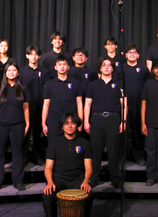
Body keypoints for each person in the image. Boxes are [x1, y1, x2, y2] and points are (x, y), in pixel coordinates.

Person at [42, 113, 93, 217]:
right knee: (47, 195)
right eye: (66, 123)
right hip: (59, 179)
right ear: (62, 126)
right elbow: (48, 168)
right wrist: (50, 182)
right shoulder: (55, 143)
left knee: (89, 195)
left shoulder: (84, 143)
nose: (69, 126)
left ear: (77, 125)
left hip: (77, 179)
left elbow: (88, 167)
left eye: (73, 123)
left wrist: (86, 181)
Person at [85, 57, 127, 188]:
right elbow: (87, 104)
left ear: (113, 68)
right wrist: (86, 121)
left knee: (113, 151)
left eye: (109, 65)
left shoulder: (119, 84)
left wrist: (123, 120)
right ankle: (94, 177)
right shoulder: (93, 85)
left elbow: (124, 104)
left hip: (113, 120)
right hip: (97, 120)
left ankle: (115, 178)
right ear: (100, 68)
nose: (107, 67)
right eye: (104, 65)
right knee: (96, 151)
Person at [0, 62, 29, 192]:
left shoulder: (23, 88)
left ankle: (18, 181)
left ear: (17, 73)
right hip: (0, 124)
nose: (11, 72)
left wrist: (27, 123)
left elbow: (26, 108)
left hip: (17, 124)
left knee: (17, 154)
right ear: (5, 73)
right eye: (9, 70)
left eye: (14, 70)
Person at [41, 57, 84, 145]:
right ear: (55, 67)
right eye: (59, 64)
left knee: (71, 146)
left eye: (64, 64)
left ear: (68, 67)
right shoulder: (49, 84)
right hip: (53, 120)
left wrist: (80, 122)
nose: (62, 67)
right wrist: (43, 123)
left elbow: (79, 103)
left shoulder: (76, 83)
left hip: (71, 121)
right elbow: (46, 105)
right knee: (53, 146)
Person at [122, 45, 149, 164]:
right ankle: (124, 156)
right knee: (124, 132)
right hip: (123, 105)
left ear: (138, 55)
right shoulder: (121, 69)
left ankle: (139, 156)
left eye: (134, 52)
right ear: (126, 55)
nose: (132, 54)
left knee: (138, 131)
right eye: (130, 52)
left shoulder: (143, 69)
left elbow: (147, 87)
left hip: (139, 105)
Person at [20, 45, 46, 165]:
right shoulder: (22, 71)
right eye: (31, 54)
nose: (33, 56)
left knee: (37, 132)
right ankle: (24, 155)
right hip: (25, 107)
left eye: (36, 54)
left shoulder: (44, 71)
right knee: (25, 132)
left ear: (39, 56)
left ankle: (37, 154)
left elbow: (47, 89)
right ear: (27, 56)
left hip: (40, 107)